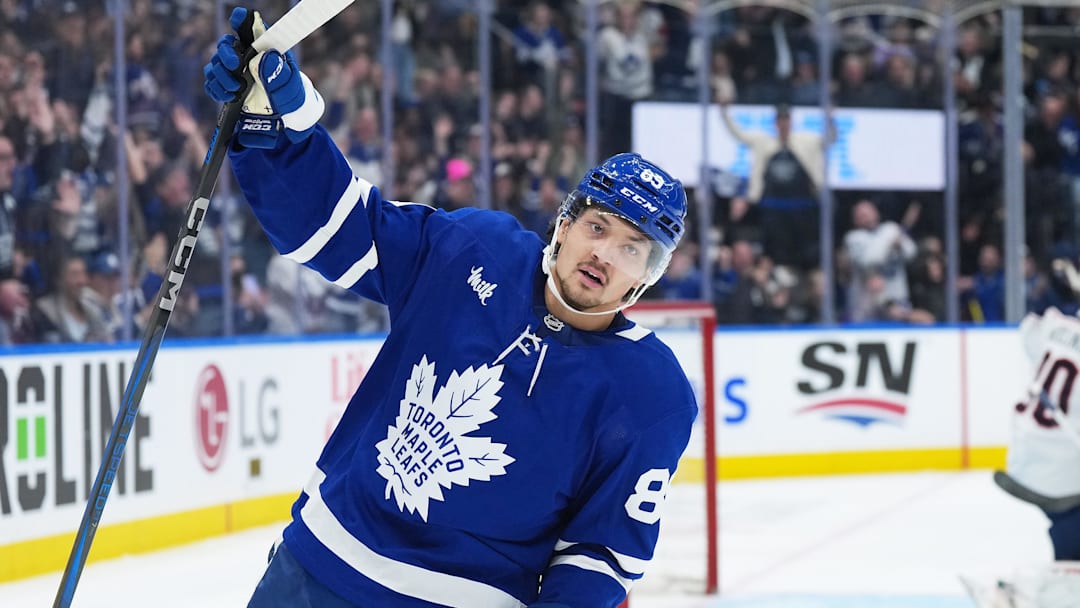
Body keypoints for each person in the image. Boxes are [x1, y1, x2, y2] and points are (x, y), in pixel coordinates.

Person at [204, 8, 696, 607]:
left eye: (632, 249)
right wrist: (271, 132)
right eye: (597, 227)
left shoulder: (652, 395)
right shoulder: (473, 249)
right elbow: (331, 229)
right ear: (563, 226)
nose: (605, 256)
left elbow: (598, 559)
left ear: (646, 278)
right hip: (316, 572)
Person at [990, 306, 1080, 606]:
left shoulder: (1057, 326)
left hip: (1023, 457)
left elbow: (1029, 327)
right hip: (1062, 474)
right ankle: (1036, 597)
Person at [717, 99, 834, 272]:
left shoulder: (807, 141)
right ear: (776, 122)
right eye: (780, 120)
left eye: (786, 119)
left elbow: (830, 139)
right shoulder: (763, 142)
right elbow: (738, 134)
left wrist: (830, 119)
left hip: (802, 207)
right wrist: (724, 112)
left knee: (803, 248)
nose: (783, 123)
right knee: (776, 248)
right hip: (772, 207)